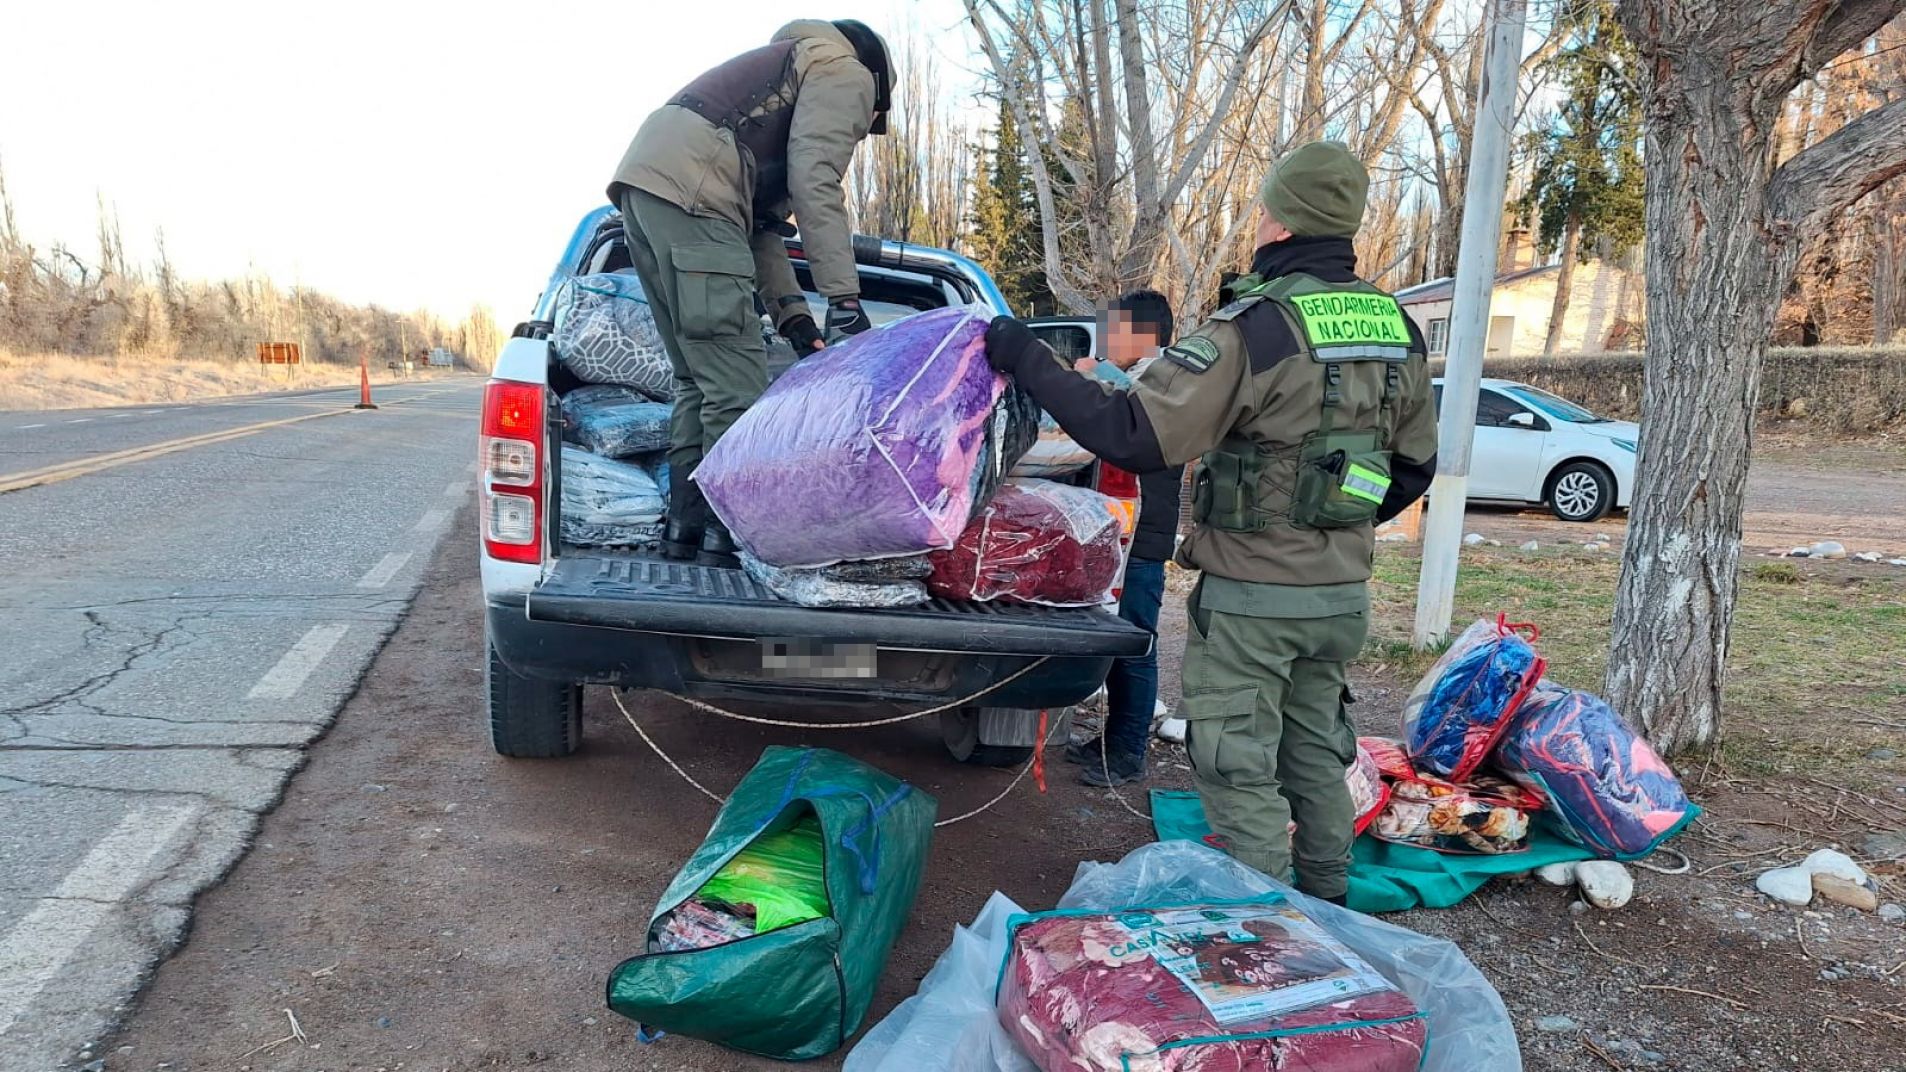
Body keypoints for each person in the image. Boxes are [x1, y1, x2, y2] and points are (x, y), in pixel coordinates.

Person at [983, 141, 1438, 904]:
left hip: (1256, 596)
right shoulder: (1398, 328)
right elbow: (1412, 471)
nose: (1258, 220)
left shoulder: (1257, 329)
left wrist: (1023, 354)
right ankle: (1328, 909)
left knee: (1237, 765)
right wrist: (1333, 528)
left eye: (1264, 207)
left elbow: (1133, 432)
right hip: (1340, 596)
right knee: (1315, 755)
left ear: (1285, 221)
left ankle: (1274, 937)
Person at [606, 19, 892, 567]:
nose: (857, 133)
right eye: (863, 126)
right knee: (735, 387)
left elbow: (760, 230)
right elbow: (816, 180)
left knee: (699, 381)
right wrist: (844, 301)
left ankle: (685, 530)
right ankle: (729, 539)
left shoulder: (781, 73)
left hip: (646, 191)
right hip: (696, 194)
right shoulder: (845, 70)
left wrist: (796, 321)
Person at [1063, 289, 1182, 788]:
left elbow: (1130, 414)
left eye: (1116, 328)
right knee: (1119, 640)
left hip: (1141, 539)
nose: (1109, 337)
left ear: (1144, 335)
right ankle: (1114, 741)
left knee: (1135, 643)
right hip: (1120, 534)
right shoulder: (1135, 378)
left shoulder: (1165, 380)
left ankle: (1129, 752)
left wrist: (1091, 378)